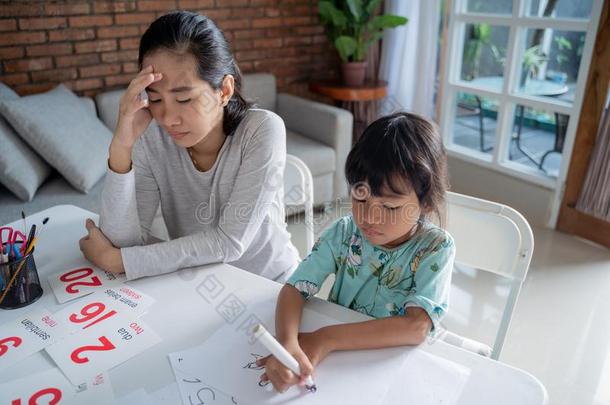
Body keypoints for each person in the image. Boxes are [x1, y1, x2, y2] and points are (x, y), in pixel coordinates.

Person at [79, 11, 300, 282]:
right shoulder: (152, 138)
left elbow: (229, 243)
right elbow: (122, 240)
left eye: (183, 99)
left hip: (274, 285)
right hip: (200, 287)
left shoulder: (262, 130)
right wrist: (121, 147)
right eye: (155, 99)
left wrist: (118, 261)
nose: (168, 119)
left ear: (224, 90)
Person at [258, 112, 455, 392]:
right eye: (360, 198)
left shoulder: (435, 248)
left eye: (389, 207)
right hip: (339, 367)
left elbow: (415, 327)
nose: (370, 218)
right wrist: (288, 342)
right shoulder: (344, 232)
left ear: (425, 203)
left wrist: (325, 338)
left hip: (390, 370)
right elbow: (294, 288)